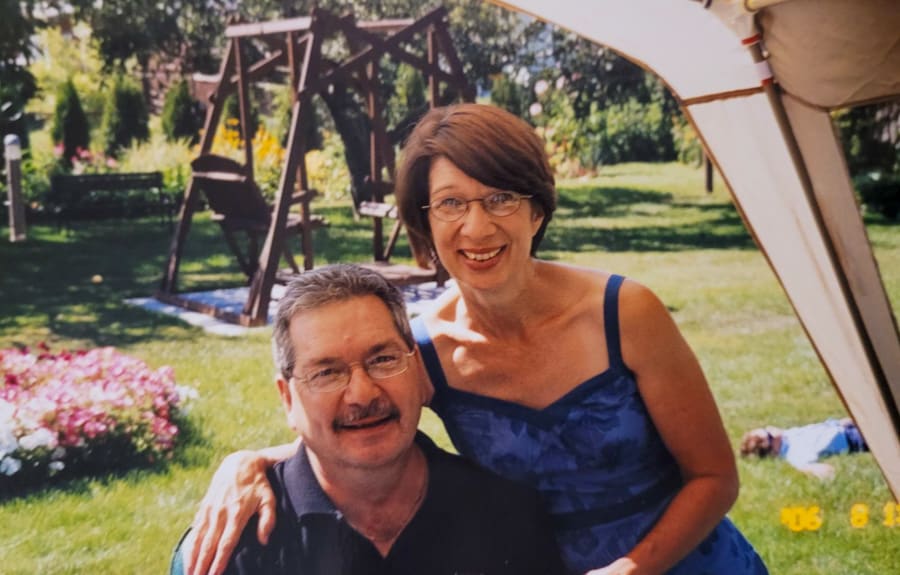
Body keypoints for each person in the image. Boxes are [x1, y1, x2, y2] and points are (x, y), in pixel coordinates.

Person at [186, 104, 768, 575]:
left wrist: (631, 571)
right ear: (426, 223)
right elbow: (353, 421)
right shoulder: (426, 350)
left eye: (500, 199)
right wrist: (246, 463)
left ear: (536, 211)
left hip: (694, 563)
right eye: (451, 204)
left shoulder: (625, 314)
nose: (477, 226)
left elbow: (715, 476)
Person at [172, 264, 565, 575]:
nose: (362, 394)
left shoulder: (506, 516)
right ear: (288, 398)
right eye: (326, 372)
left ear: (415, 368)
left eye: (382, 359)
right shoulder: (236, 546)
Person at [740, 417, 869, 479]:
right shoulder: (795, 456)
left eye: (764, 428)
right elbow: (826, 471)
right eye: (769, 434)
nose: (769, 427)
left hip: (843, 425)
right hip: (852, 439)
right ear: (773, 451)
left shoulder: (786, 436)